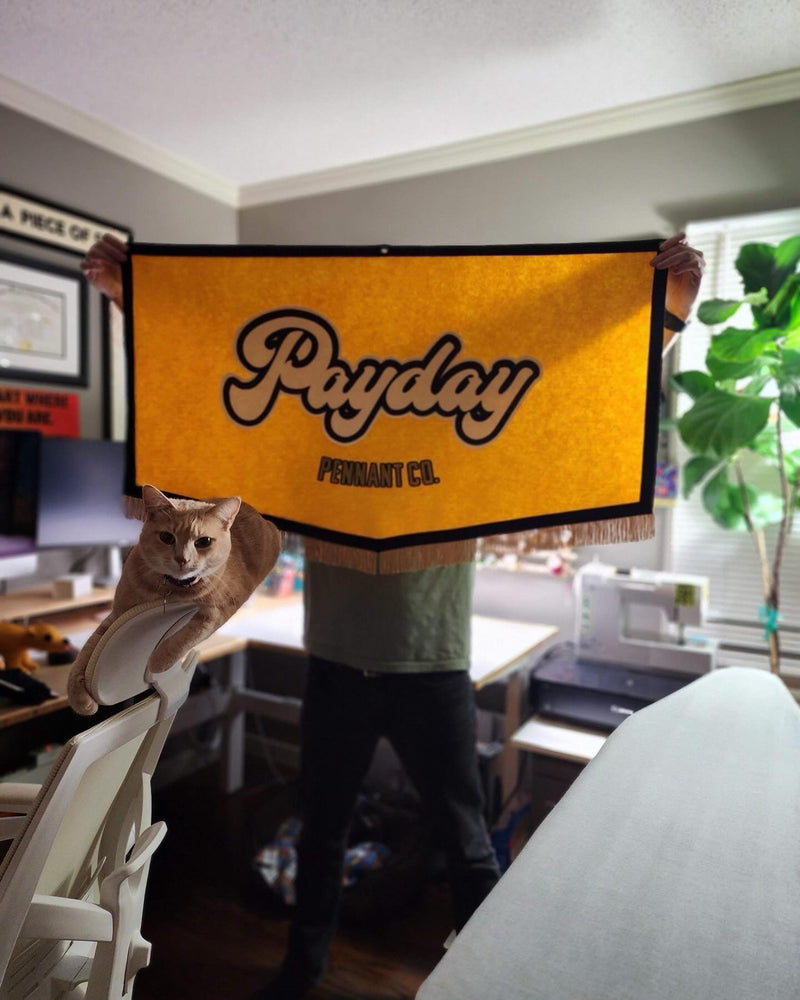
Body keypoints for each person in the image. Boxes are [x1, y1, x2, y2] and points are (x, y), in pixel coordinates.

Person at [81, 230, 705, 1000]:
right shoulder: (310, 435)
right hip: (337, 664)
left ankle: (493, 979)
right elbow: (209, 399)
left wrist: (665, 320)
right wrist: (126, 300)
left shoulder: (469, 443)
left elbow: (575, 397)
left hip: (431, 667)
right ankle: (302, 969)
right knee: (321, 835)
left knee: (467, 842)